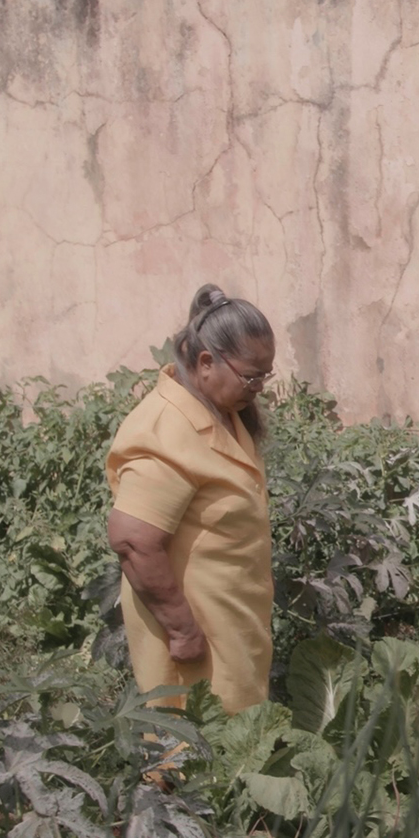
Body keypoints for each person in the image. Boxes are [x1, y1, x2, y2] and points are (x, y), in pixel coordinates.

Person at [105, 284, 277, 714]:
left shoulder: (222, 411)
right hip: (195, 632)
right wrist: (182, 630)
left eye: (265, 376)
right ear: (205, 362)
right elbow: (133, 539)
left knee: (235, 743)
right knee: (194, 754)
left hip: (232, 620)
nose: (259, 387)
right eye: (251, 376)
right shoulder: (165, 428)